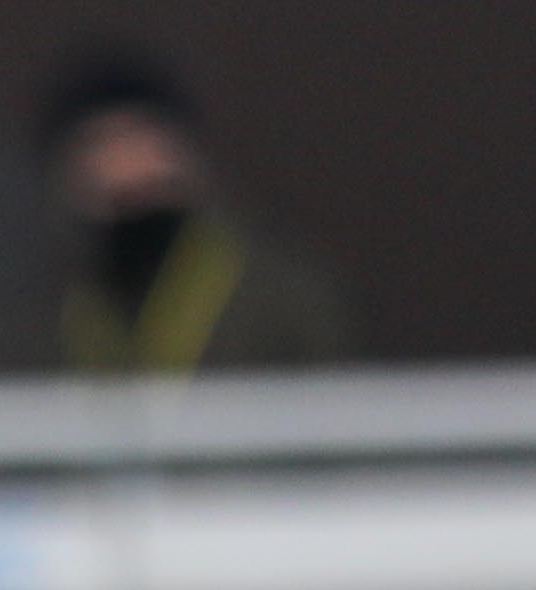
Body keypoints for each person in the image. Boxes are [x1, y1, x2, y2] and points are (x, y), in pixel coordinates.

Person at [32, 50, 347, 382]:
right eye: (101, 146)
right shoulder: (56, 309)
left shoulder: (280, 298)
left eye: (143, 141)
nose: (126, 165)